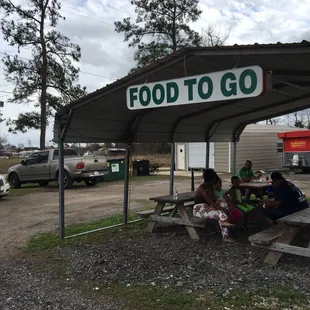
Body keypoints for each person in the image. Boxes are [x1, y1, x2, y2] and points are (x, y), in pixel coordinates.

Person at [193, 169, 235, 242]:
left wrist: (224, 204)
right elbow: (212, 203)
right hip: (199, 209)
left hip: (208, 207)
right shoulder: (202, 188)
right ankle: (226, 236)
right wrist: (223, 209)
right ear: (211, 179)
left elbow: (215, 201)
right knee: (222, 214)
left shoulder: (210, 187)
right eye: (215, 178)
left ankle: (225, 226)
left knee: (222, 206)